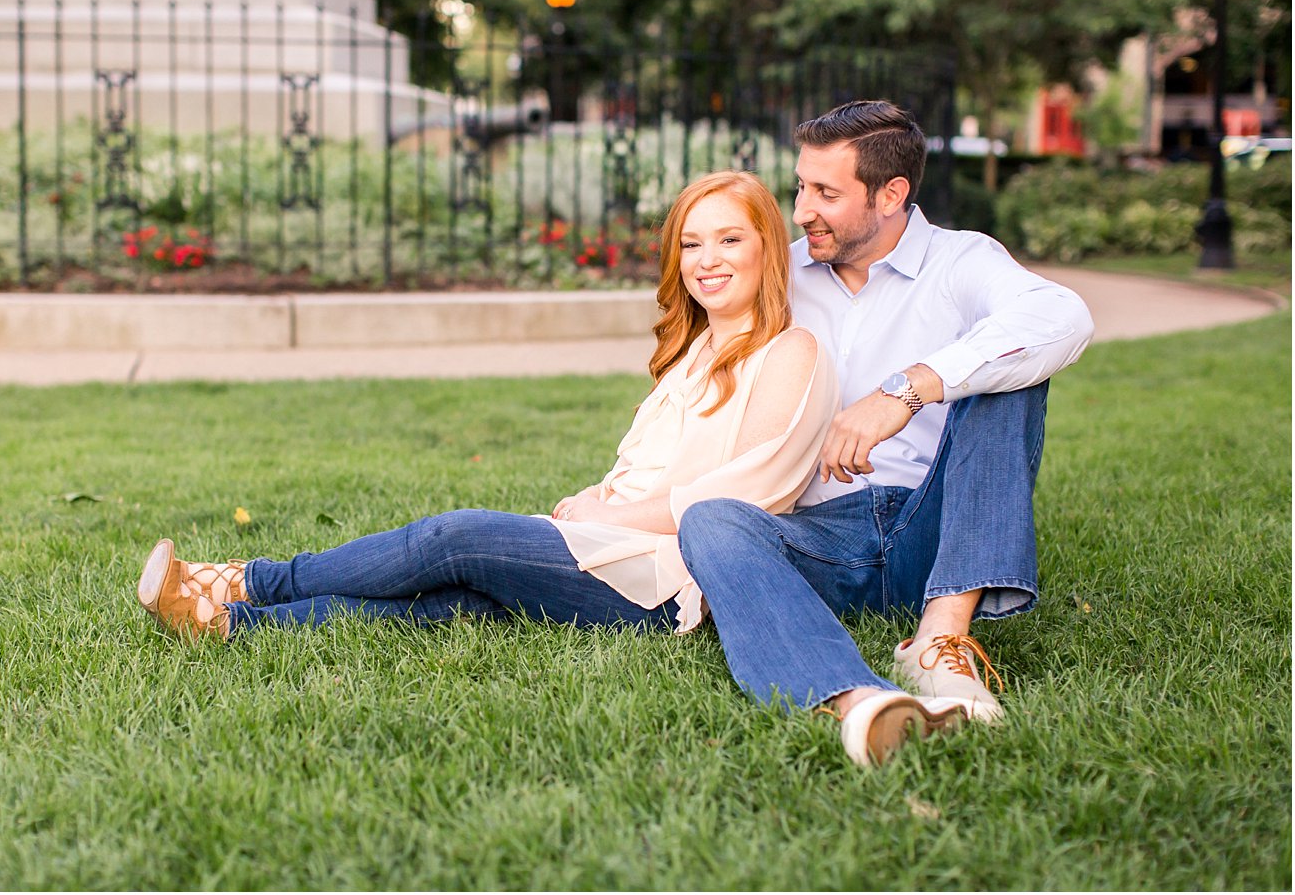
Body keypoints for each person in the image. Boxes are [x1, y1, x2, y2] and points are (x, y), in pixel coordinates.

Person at [137, 170, 839, 645]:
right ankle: (227, 623)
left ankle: (250, 580)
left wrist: (605, 515)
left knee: (456, 540)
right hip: (614, 547)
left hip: (668, 584)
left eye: (728, 239)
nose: (706, 259)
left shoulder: (789, 353)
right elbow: (652, 468)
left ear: (766, 248)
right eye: (690, 243)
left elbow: (742, 501)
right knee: (451, 604)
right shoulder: (693, 350)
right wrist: (595, 495)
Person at [676, 100, 1095, 766]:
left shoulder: (960, 262)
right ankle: (859, 697)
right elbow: (699, 378)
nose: (803, 208)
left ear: (892, 194)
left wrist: (909, 387)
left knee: (1008, 376)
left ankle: (939, 642)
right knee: (710, 520)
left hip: (937, 528)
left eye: (826, 192)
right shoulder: (780, 274)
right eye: (800, 187)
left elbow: (1061, 316)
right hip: (817, 537)